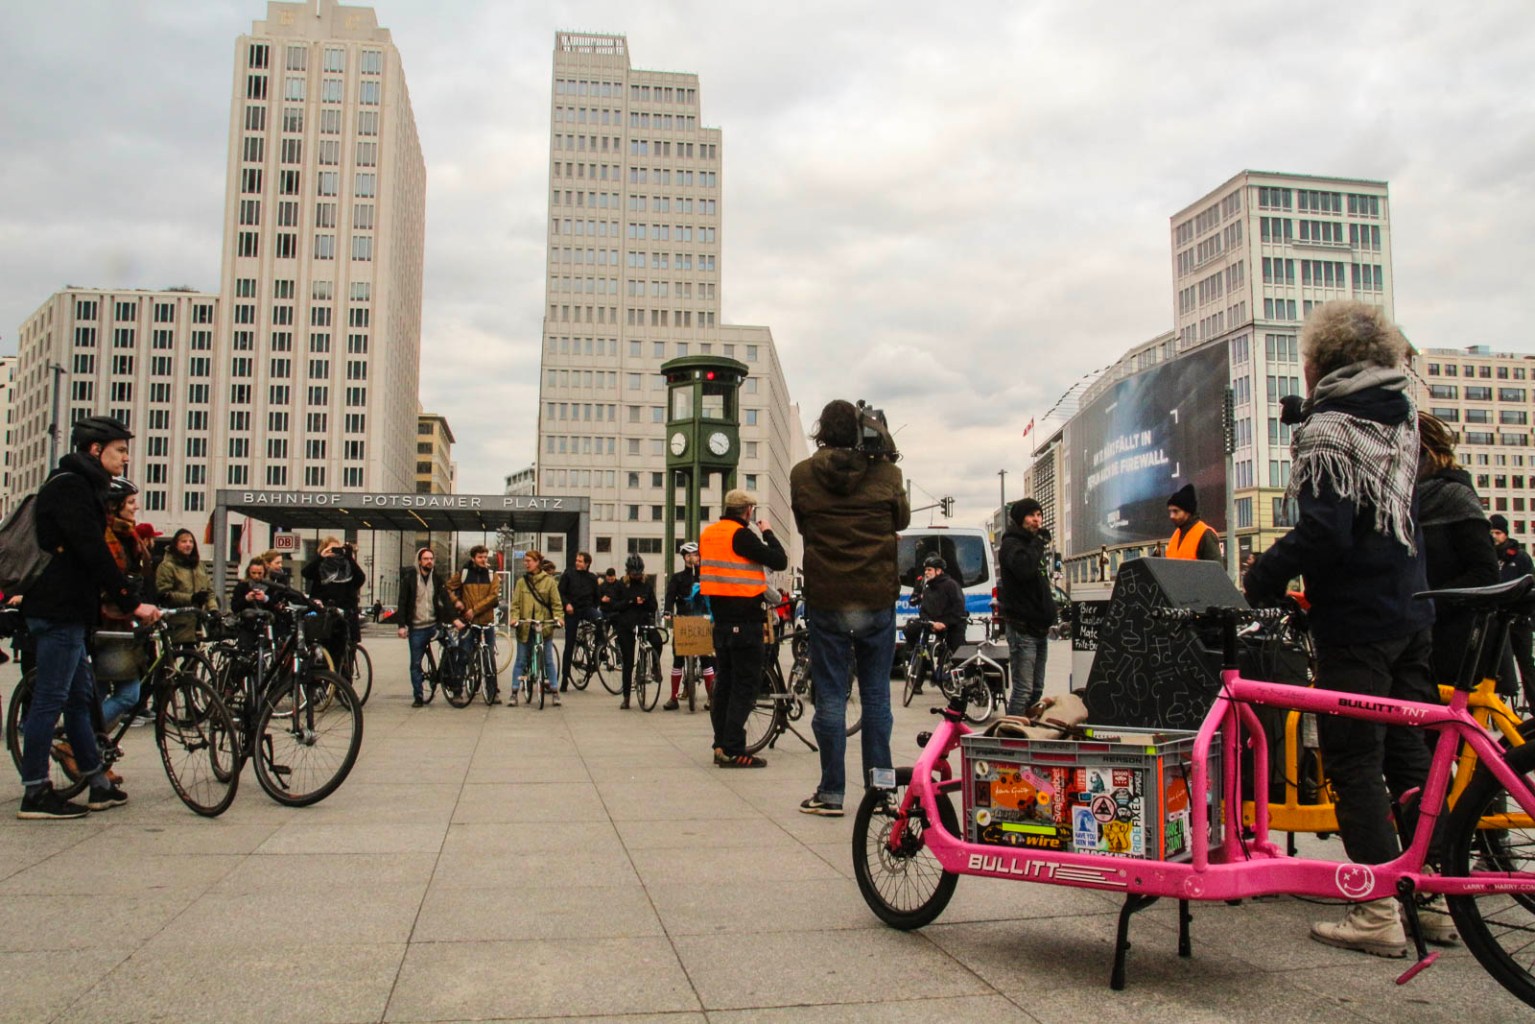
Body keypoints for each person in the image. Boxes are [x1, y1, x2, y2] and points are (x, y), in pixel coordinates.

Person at [1242, 299, 1442, 956]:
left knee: (1352, 760)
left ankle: (1376, 910)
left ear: (1317, 363)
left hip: (1356, 621)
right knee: (1408, 756)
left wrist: (1265, 574)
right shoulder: (1403, 418)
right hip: (1411, 610)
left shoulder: (1328, 427)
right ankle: (1431, 896)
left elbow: (1325, 532)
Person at [17, 415, 160, 819]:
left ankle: (97, 783)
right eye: (119, 450)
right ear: (95, 450)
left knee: (81, 699)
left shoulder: (82, 487)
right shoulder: (70, 488)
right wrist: (129, 602)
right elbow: (92, 551)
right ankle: (35, 791)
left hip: (72, 613)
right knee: (51, 700)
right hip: (57, 610)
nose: (125, 458)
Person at [791, 399, 909, 812]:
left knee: (831, 697)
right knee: (876, 696)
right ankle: (880, 791)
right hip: (876, 597)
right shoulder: (888, 474)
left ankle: (831, 792)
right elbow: (902, 520)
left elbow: (805, 525)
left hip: (828, 598)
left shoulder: (803, 475)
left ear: (820, 430)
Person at [701, 489, 788, 768]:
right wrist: (769, 532)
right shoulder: (740, 534)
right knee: (745, 686)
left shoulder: (709, 534)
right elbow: (779, 559)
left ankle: (720, 745)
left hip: (722, 622)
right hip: (745, 621)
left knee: (724, 684)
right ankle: (734, 749)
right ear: (748, 511)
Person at [1418, 413, 1497, 693]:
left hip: (1453, 637)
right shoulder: (1401, 501)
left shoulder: (1454, 495)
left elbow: (1485, 571)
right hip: (1414, 635)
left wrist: (1428, 604)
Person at [98, 478, 155, 733]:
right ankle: (81, 743)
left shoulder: (129, 537)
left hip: (123, 624)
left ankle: (91, 754)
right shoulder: (104, 536)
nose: (135, 507)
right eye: (130, 502)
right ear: (114, 505)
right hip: (106, 623)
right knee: (126, 695)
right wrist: (134, 606)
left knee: (104, 693)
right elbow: (107, 580)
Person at [999, 497, 1057, 715]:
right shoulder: (1012, 545)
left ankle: (1028, 731)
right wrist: (1038, 543)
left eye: (1039, 515)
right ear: (1020, 519)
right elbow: (1024, 570)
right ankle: (1010, 734)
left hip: (1039, 629)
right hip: (1023, 629)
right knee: (1023, 690)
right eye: (1031, 515)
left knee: (1036, 689)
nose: (1037, 520)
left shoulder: (1032, 546)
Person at [396, 548, 459, 707]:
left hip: (434, 625)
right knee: (415, 663)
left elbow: (446, 600)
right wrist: (402, 626)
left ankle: (446, 675)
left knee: (452, 646)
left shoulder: (437, 579)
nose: (429, 561)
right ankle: (418, 696)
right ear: (419, 561)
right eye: (425, 559)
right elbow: (402, 602)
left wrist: (455, 619)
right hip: (417, 627)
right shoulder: (410, 579)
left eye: (431, 558)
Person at [663, 541, 715, 711]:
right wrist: (667, 611)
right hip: (683, 620)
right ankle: (673, 697)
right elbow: (670, 596)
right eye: (690, 555)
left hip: (703, 620)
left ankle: (711, 698)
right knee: (678, 660)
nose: (694, 558)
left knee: (707, 661)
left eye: (696, 555)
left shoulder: (706, 576)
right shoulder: (677, 578)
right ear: (685, 557)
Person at [302, 536, 366, 673]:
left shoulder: (347, 567)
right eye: (332, 549)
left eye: (337, 549)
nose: (335, 552)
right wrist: (321, 557)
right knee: (323, 653)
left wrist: (349, 557)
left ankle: (343, 685)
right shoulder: (320, 567)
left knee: (345, 655)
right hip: (324, 616)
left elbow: (360, 578)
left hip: (345, 614)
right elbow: (306, 573)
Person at [904, 556, 966, 695]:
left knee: (958, 654)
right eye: (925, 570)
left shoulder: (951, 585)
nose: (926, 572)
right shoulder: (927, 587)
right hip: (935, 625)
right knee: (915, 634)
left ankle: (963, 685)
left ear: (938, 571)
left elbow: (958, 608)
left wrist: (944, 623)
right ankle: (919, 679)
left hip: (953, 624)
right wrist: (930, 622)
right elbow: (924, 610)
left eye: (929, 570)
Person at [1489, 514, 1535, 702]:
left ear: (1506, 534)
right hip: (1497, 621)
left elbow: (1530, 586)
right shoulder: (1488, 556)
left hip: (1520, 621)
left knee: (1526, 665)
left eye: (1498, 532)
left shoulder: (1520, 557)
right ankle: (1496, 704)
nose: (1494, 536)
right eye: (1491, 532)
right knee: (1495, 667)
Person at [448, 545, 501, 704]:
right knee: (463, 655)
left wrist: (474, 610)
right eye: (480, 557)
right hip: (469, 623)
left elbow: (493, 597)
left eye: (485, 557)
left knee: (489, 657)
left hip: (486, 621)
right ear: (473, 558)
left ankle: (493, 690)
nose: (484, 560)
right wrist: (456, 601)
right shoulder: (464, 574)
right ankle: (457, 690)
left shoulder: (492, 575)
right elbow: (448, 587)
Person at [509, 550, 562, 705]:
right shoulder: (521, 582)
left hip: (543, 626)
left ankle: (554, 691)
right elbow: (516, 604)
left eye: (529, 561)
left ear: (538, 562)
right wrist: (514, 618)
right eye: (525, 561)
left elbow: (556, 604)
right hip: (525, 626)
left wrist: (559, 618)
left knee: (548, 660)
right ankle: (514, 692)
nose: (526, 563)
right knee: (520, 660)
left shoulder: (549, 582)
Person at [609, 554, 657, 709]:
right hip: (626, 624)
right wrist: (630, 601)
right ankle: (626, 696)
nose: (636, 576)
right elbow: (614, 605)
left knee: (657, 640)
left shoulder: (647, 584)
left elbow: (654, 606)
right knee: (628, 661)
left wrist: (645, 602)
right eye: (633, 573)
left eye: (639, 573)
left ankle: (655, 666)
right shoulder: (621, 585)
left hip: (643, 622)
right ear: (628, 572)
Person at [155, 529, 218, 644]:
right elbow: (164, 594)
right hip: (178, 622)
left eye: (191, 541)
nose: (188, 544)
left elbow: (209, 591)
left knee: (199, 656)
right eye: (184, 541)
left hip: (199, 620)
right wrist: (191, 598)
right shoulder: (167, 566)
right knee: (184, 655)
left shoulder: (199, 566)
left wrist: (213, 609)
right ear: (176, 544)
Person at [558, 550, 601, 692]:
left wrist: (593, 608)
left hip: (587, 609)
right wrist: (567, 604)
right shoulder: (568, 575)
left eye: (580, 561)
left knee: (601, 619)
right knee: (569, 644)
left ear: (587, 564)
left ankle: (599, 649)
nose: (577, 563)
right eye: (577, 560)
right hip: (572, 610)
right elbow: (560, 592)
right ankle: (565, 678)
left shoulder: (592, 578)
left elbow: (597, 597)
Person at [1166, 485, 1223, 562]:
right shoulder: (1176, 535)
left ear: (1188, 512)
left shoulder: (1205, 534)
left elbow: (1216, 571)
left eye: (1176, 511)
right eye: (1170, 511)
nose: (1171, 516)